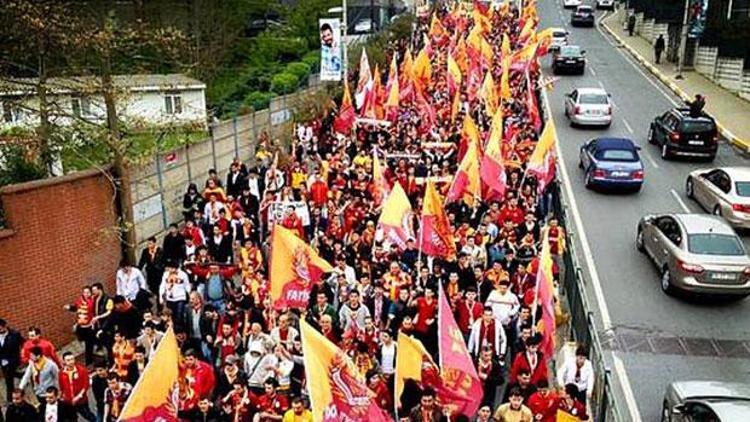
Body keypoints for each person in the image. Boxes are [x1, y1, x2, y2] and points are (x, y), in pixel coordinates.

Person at [58, 351, 97, 422]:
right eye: (68, 360)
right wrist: (61, 396)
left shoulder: (81, 370)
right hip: (68, 401)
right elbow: (61, 385)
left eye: (72, 359)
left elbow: (86, 384)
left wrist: (79, 395)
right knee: (72, 418)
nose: (71, 362)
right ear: (64, 361)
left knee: (88, 415)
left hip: (81, 400)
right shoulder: (61, 372)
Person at [0, 319, 24, 402]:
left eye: (2, 328)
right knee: (10, 375)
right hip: (3, 362)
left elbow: (24, 343)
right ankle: (23, 376)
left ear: (5, 326)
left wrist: (23, 354)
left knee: (8, 381)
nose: (0, 330)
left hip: (13, 360)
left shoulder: (14, 334)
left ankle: (10, 400)